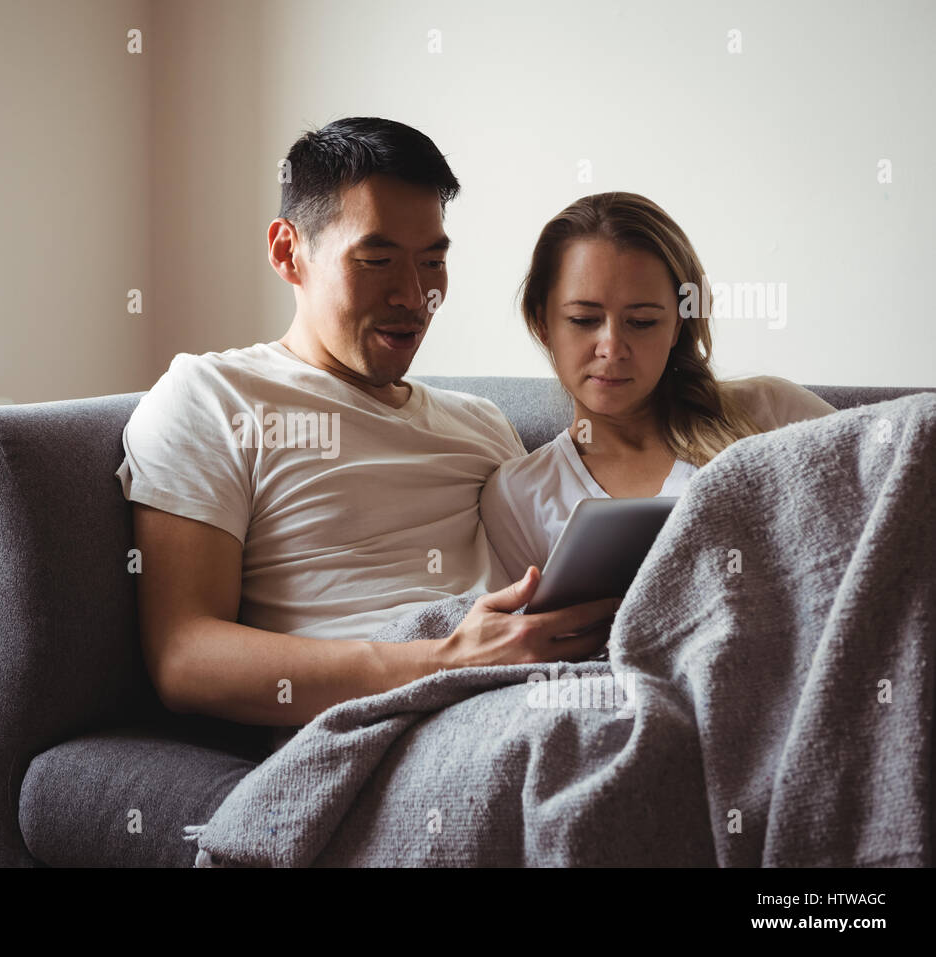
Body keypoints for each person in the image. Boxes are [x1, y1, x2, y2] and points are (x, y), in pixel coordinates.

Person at [115, 118, 619, 751]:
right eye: (376, 259)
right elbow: (184, 659)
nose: (415, 296)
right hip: (382, 726)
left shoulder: (482, 424)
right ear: (286, 251)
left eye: (433, 261)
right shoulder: (212, 399)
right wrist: (445, 662)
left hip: (521, 691)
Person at [481, 192, 836, 590]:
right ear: (542, 324)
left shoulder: (770, 410)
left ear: (677, 327)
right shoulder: (517, 495)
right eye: (583, 319)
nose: (611, 348)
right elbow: (516, 641)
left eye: (643, 322)